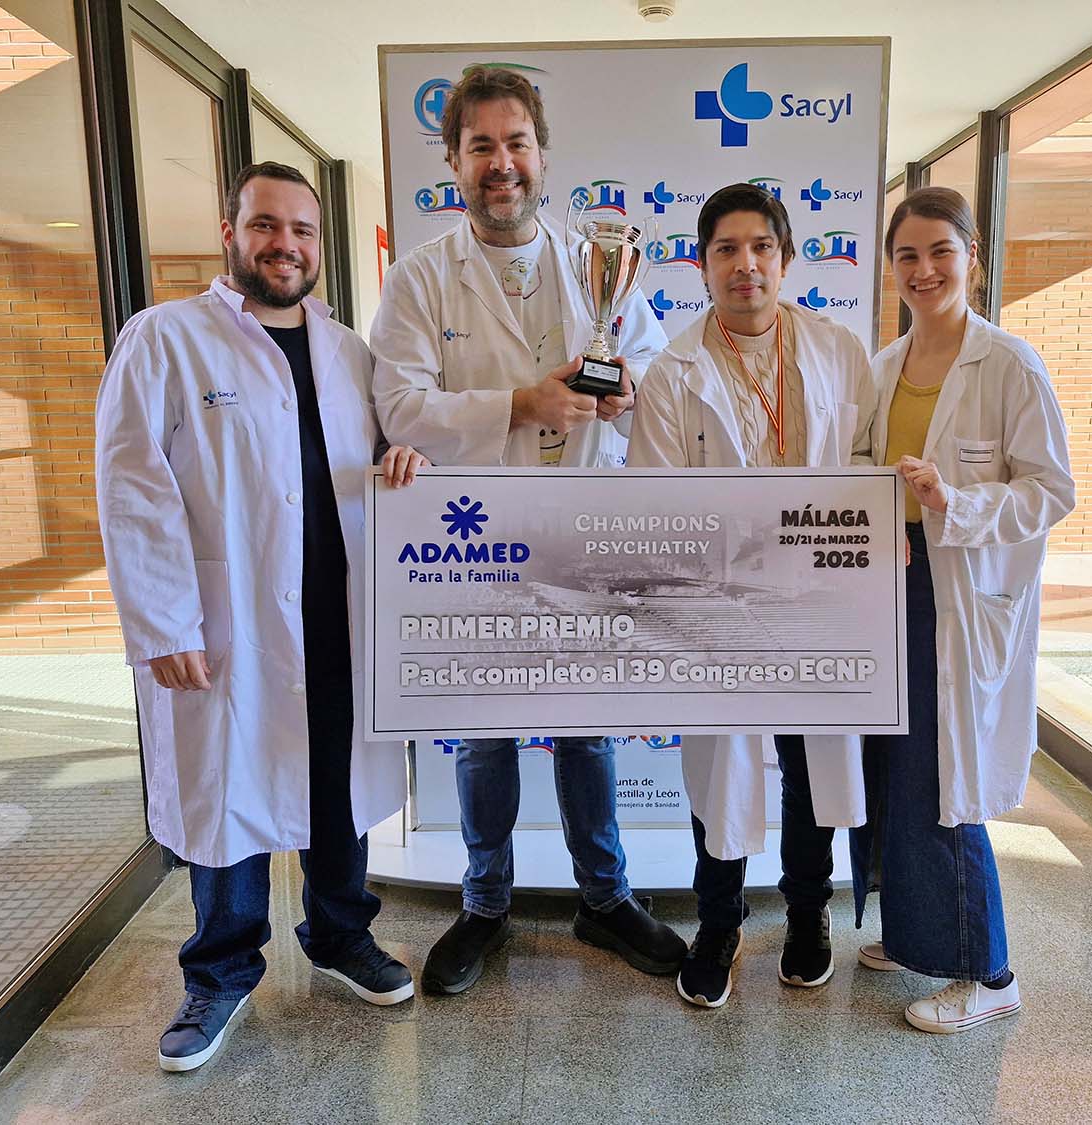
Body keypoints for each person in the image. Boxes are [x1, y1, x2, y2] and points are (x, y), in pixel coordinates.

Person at [96, 161, 430, 1072]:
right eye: (267, 226)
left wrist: (405, 462)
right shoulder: (164, 339)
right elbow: (132, 487)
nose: (286, 245)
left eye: (303, 230)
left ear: (320, 245)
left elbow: (378, 458)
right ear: (230, 232)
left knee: (336, 787)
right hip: (226, 621)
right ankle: (219, 970)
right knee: (228, 795)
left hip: (339, 612)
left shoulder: (348, 350)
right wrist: (163, 623)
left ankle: (340, 934)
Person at [370, 66, 684, 994]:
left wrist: (625, 393)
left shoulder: (604, 262)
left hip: (585, 529)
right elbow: (398, 404)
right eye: (480, 148)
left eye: (515, 144)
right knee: (484, 735)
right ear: (454, 164)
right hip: (477, 542)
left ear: (543, 157)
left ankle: (605, 896)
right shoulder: (422, 277)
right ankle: (485, 905)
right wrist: (518, 402)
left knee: (588, 731)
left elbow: (653, 384)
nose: (499, 164)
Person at [628, 183, 879, 1007]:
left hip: (818, 597)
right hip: (721, 605)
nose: (746, 265)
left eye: (760, 247)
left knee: (810, 766)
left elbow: (869, 471)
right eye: (726, 250)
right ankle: (719, 922)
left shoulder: (841, 352)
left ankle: (808, 915)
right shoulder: (673, 372)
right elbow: (657, 501)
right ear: (702, 266)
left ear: (785, 256)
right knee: (722, 770)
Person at [852, 186, 1074, 1033]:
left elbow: (1052, 490)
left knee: (947, 781)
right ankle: (917, 934)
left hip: (958, 593)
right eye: (906, 255)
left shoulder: (1009, 363)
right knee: (896, 776)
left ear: (972, 256)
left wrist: (957, 500)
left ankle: (989, 969)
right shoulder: (883, 365)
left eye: (940, 251)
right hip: (890, 589)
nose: (923, 270)